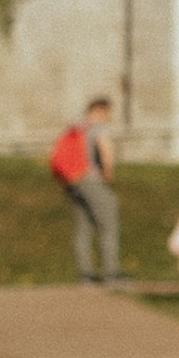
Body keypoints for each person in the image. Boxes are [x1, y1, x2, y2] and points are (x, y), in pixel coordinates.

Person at [56, 99, 119, 284]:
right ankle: (111, 272)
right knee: (108, 221)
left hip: (72, 182)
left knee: (82, 226)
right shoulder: (98, 128)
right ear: (100, 110)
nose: (109, 117)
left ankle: (85, 274)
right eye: (108, 112)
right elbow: (104, 147)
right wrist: (108, 171)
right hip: (90, 179)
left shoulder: (76, 128)